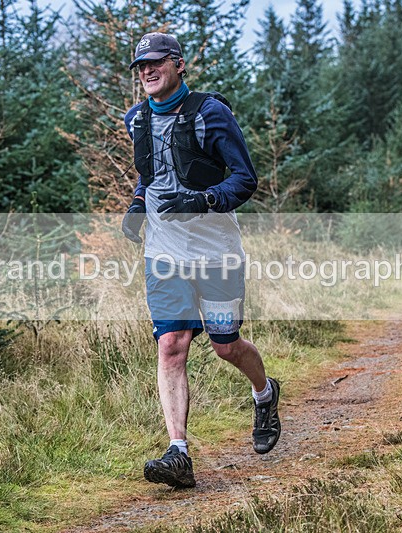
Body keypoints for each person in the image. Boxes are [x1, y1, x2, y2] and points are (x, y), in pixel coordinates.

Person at [120, 32, 281, 489]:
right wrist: (136, 207)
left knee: (226, 346)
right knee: (171, 345)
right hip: (164, 254)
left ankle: (265, 394)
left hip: (216, 251)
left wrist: (203, 199)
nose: (147, 72)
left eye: (155, 63)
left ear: (178, 64)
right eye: (140, 67)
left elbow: (245, 180)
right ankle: (179, 453)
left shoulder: (212, 114)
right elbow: (149, 175)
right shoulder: (136, 120)